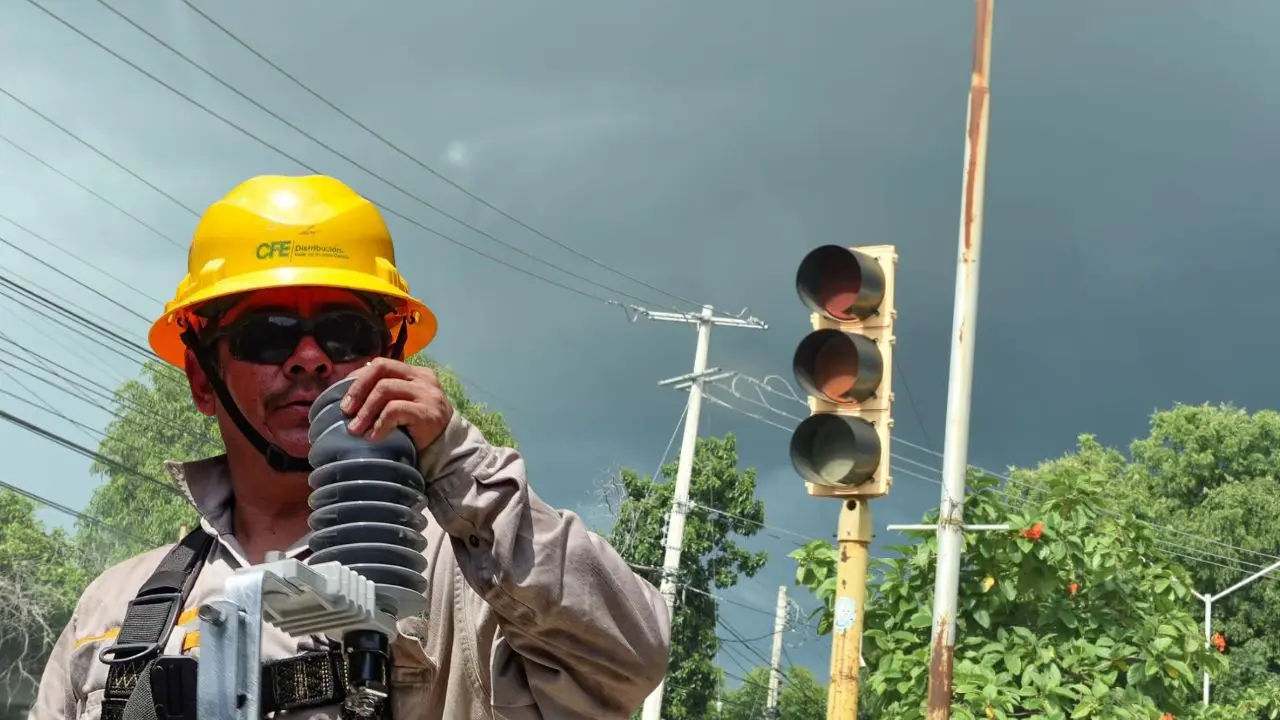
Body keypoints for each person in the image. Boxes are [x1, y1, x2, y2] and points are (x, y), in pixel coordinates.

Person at [27, 175, 671, 720]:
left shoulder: (468, 577)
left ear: (391, 360)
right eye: (268, 332)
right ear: (202, 378)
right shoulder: (116, 609)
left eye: (344, 334)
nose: (309, 359)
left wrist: (456, 460)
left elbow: (628, 661)